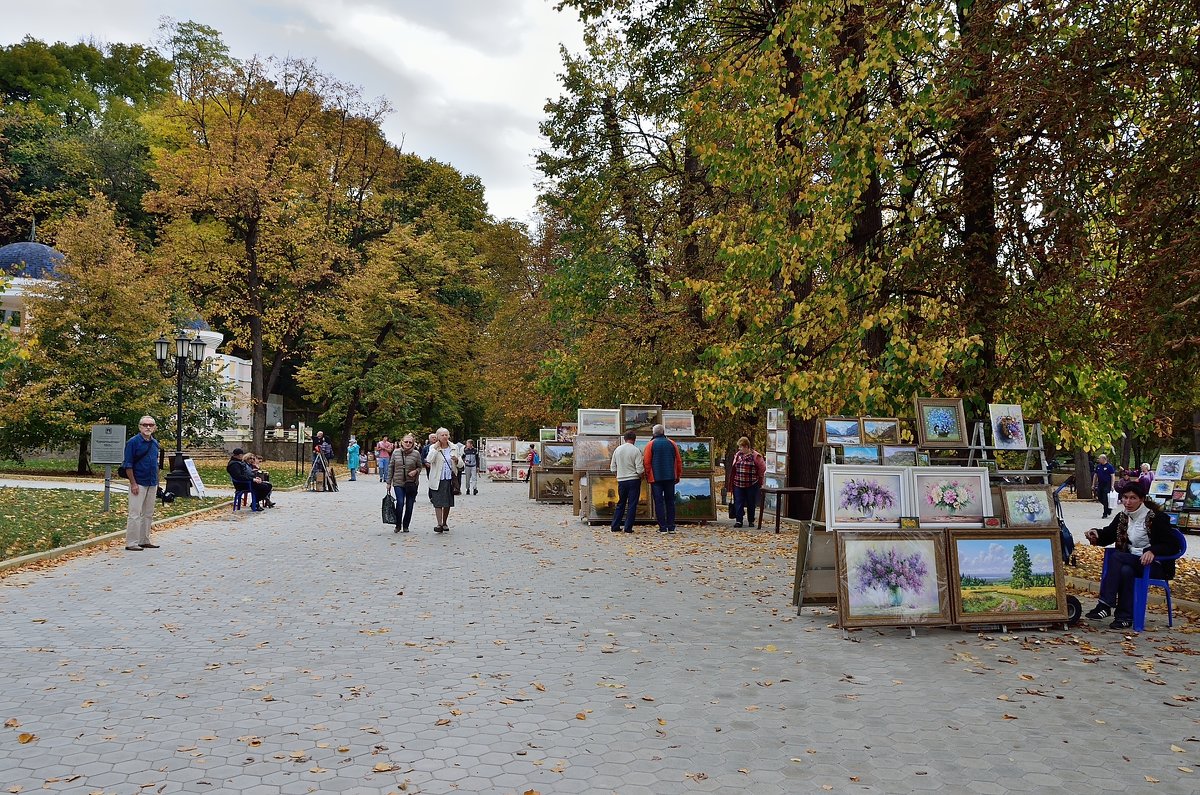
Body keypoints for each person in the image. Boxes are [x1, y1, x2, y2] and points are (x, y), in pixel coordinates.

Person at [1084, 481, 1182, 629]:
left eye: (1133, 498)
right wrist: (1096, 534)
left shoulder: (1156, 518)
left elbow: (1173, 545)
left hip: (1155, 565)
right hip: (1132, 562)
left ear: (1142, 499)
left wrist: (1153, 551)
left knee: (1117, 557)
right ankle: (1124, 618)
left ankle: (1105, 604)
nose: (1127, 502)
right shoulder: (1123, 516)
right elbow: (1109, 534)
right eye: (1125, 497)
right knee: (1125, 570)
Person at [122, 415, 162, 551]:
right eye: (145, 425)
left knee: (148, 513)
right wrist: (133, 483)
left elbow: (155, 464)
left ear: (155, 427)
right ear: (140, 427)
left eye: (151, 425)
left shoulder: (155, 443)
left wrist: (157, 481)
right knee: (134, 513)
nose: (148, 427)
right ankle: (131, 542)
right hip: (138, 482)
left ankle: (144, 539)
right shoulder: (133, 442)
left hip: (152, 482)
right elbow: (128, 464)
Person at [643, 424, 683, 534]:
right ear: (663, 432)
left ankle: (662, 527)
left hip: (656, 478)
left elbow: (647, 462)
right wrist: (678, 475)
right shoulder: (672, 443)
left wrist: (648, 475)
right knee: (670, 502)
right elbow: (678, 461)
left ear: (653, 433)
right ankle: (671, 527)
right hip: (670, 477)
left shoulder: (650, 444)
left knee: (659, 502)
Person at [425, 427, 461, 533]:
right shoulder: (433, 447)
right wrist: (436, 449)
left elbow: (461, 463)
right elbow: (429, 460)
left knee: (447, 502)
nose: (445, 437)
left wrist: (457, 460)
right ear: (438, 437)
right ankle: (439, 524)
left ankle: (445, 522)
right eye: (442, 435)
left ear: (449, 436)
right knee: (438, 502)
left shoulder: (454, 447)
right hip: (437, 478)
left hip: (449, 479)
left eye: (446, 435)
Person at [608, 430, 645, 533]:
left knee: (621, 503)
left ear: (624, 439)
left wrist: (619, 475)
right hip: (633, 480)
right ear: (634, 439)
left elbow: (612, 468)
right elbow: (640, 470)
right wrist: (641, 477)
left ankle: (615, 526)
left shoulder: (618, 450)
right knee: (632, 504)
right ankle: (628, 528)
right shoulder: (636, 450)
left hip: (621, 480)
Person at [389, 434, 424, 532]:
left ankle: (406, 525)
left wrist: (415, 471)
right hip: (398, 482)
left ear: (413, 443)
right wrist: (388, 482)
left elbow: (420, 466)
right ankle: (398, 525)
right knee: (400, 503)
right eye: (406, 442)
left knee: (409, 505)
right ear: (402, 442)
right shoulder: (395, 453)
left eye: (410, 442)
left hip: (411, 483)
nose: (408, 444)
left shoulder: (416, 454)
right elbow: (391, 467)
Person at [730, 436, 767, 528]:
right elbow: (734, 467)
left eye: (741, 447)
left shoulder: (756, 456)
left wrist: (759, 478)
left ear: (746, 446)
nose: (740, 448)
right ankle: (739, 521)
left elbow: (762, 468)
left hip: (752, 483)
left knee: (751, 502)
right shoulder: (738, 455)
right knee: (738, 501)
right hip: (738, 483)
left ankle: (751, 520)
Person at [1091, 454, 1116, 518]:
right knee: (1100, 497)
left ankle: (1105, 513)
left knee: (1105, 499)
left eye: (1099, 458)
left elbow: (1112, 476)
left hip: (1107, 484)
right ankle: (1108, 508)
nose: (1098, 460)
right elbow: (1095, 475)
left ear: (1103, 459)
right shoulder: (1098, 466)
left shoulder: (1109, 466)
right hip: (1100, 484)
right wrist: (1093, 484)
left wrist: (1112, 485)